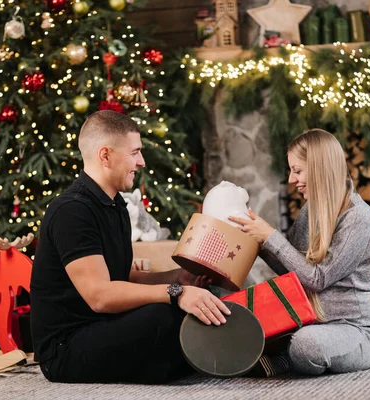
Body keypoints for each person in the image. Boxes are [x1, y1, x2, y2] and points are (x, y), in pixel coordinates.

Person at [30, 110, 230, 384]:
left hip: (103, 328)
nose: (142, 162)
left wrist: (176, 278)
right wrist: (177, 292)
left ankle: (187, 364)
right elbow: (100, 296)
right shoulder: (72, 211)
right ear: (105, 155)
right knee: (165, 315)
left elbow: (120, 276)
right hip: (66, 349)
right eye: (135, 152)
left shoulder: (116, 206)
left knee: (190, 309)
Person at [230, 128, 370, 377]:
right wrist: (257, 242)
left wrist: (270, 237)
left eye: (297, 170)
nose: (291, 179)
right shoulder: (309, 211)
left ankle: (283, 359)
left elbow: (317, 279)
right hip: (307, 321)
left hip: (354, 330)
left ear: (320, 168)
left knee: (307, 344)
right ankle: (278, 355)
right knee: (242, 323)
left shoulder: (357, 217)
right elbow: (293, 271)